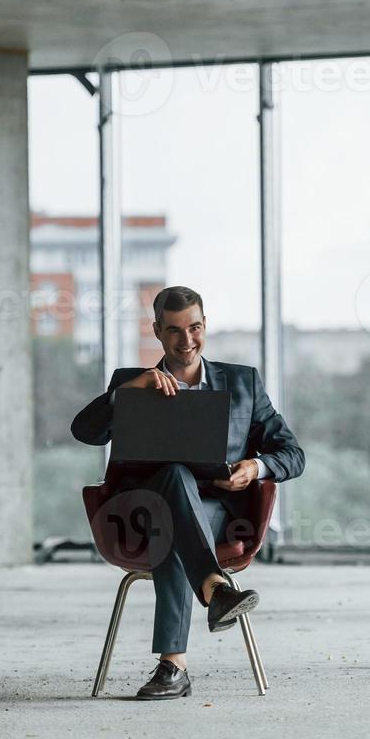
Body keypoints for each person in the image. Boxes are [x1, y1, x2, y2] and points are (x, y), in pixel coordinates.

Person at [70, 285, 305, 700]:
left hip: (212, 509)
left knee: (173, 521)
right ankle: (214, 589)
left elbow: (292, 453)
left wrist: (254, 467)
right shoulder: (131, 383)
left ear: (205, 325)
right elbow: (84, 431)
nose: (186, 341)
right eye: (174, 331)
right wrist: (123, 395)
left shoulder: (242, 383)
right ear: (158, 330)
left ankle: (173, 668)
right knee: (171, 487)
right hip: (139, 511)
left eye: (194, 328)